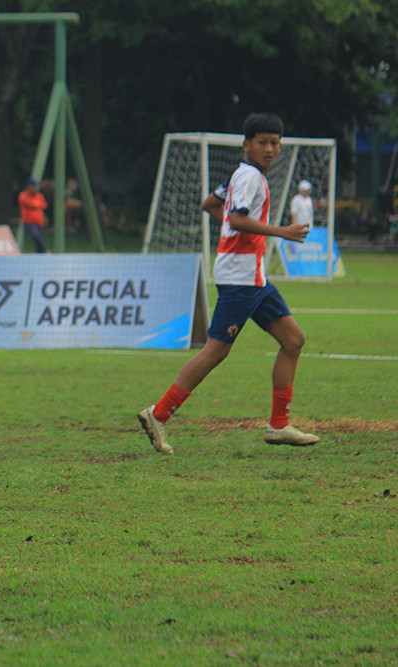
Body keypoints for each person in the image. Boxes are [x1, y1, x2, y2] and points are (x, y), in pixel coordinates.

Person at [137, 113, 319, 454]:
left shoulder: (242, 174)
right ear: (246, 144)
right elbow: (236, 217)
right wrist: (282, 231)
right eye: (262, 142)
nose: (269, 148)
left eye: (275, 142)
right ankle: (158, 414)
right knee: (216, 351)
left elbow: (211, 205)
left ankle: (278, 425)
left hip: (253, 275)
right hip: (241, 277)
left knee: (293, 341)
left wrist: (231, 231)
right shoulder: (249, 177)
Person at [18, 177, 49, 253]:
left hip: (39, 221)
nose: (36, 188)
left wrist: (37, 204)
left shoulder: (38, 195)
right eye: (34, 186)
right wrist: (38, 204)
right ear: (29, 186)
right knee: (36, 236)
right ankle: (46, 251)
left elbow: (44, 204)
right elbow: (31, 203)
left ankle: (39, 255)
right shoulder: (23, 195)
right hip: (29, 222)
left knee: (39, 240)